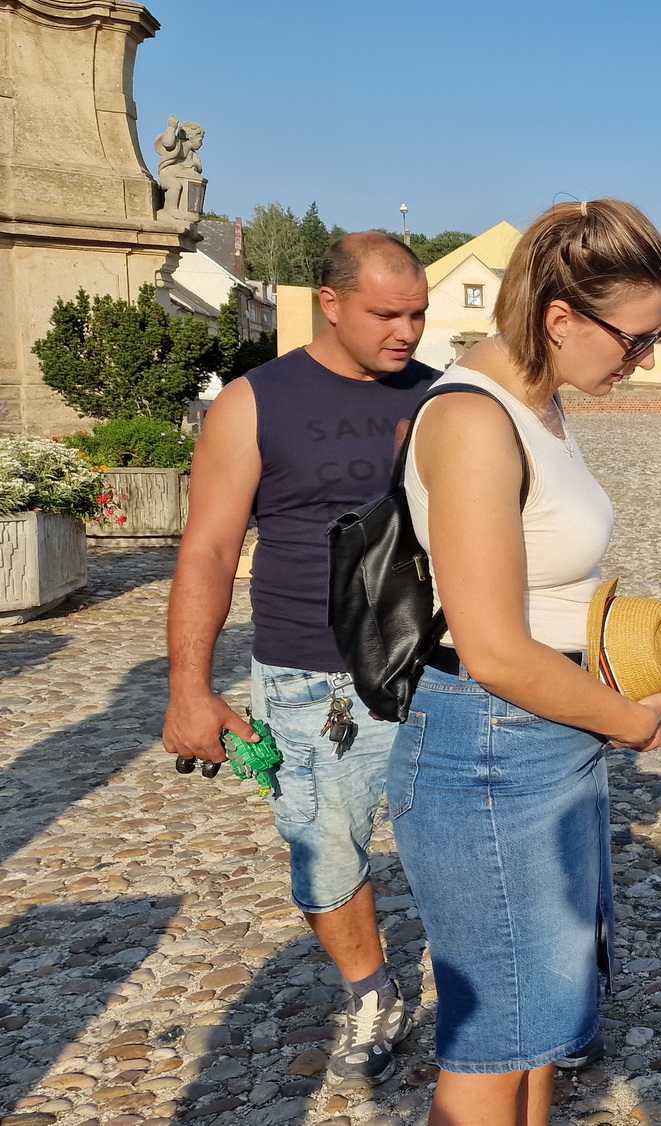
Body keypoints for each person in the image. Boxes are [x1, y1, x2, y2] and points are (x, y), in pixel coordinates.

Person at [391, 199, 661, 1126]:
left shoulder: (537, 397)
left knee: (539, 1029)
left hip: (540, 739)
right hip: (492, 748)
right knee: (494, 1044)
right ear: (561, 318)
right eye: (637, 337)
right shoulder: (475, 420)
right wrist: (629, 721)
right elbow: (493, 649)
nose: (646, 357)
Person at [164, 231, 434, 1081]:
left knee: (468, 843)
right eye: (386, 314)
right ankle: (372, 992)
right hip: (312, 678)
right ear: (330, 302)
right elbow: (209, 550)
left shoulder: (444, 397)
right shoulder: (254, 402)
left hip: (438, 666)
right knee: (325, 856)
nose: (406, 332)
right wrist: (189, 689)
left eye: (419, 314)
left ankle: (505, 997)